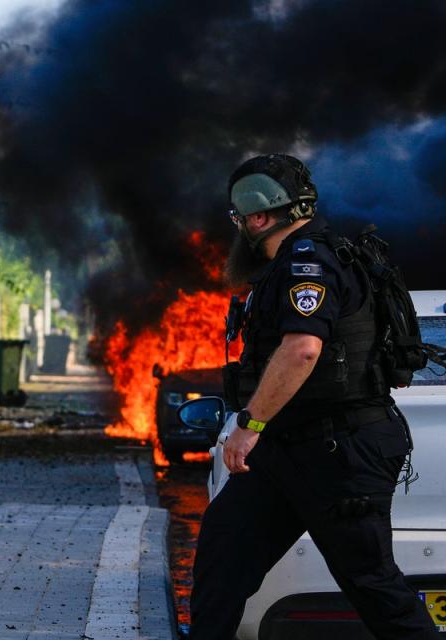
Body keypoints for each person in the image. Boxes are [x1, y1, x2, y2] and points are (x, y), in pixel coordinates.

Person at [189, 154, 438, 639]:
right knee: (223, 557)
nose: (238, 229)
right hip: (287, 452)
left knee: (372, 584)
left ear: (260, 217)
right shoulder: (290, 264)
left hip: (339, 451)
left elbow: (302, 349)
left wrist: (249, 425)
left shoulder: (310, 262)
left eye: (239, 219)